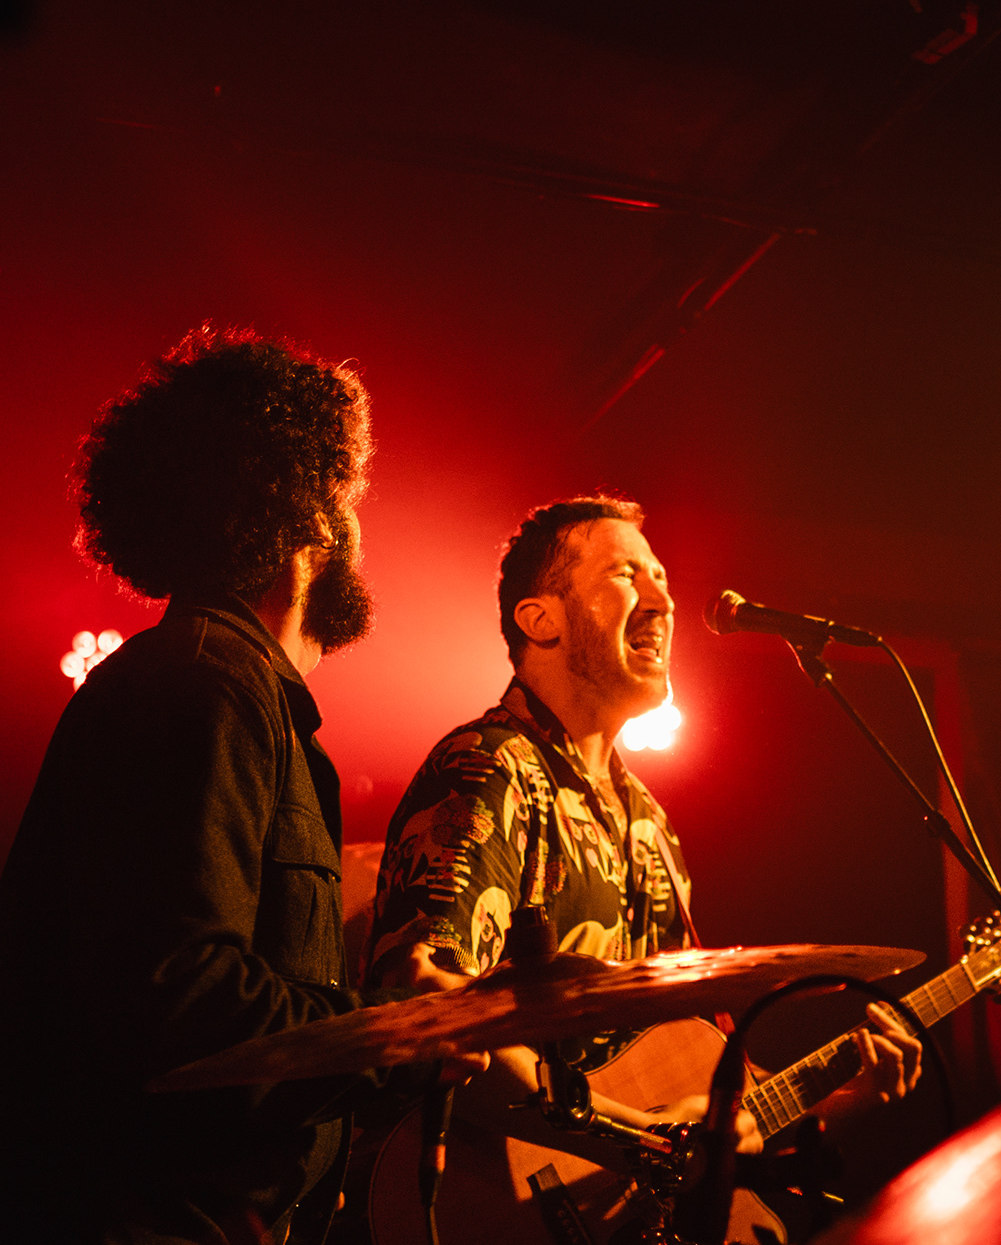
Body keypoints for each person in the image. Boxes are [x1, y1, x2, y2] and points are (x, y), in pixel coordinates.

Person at [0, 328, 454, 1245]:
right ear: (309, 515)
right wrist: (401, 1030)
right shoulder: (207, 686)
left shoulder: (222, 686)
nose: (356, 527)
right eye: (348, 498)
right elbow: (183, 998)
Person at [363, 496, 922, 1173]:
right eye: (626, 575)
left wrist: (841, 1100)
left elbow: (689, 1082)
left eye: (660, 577)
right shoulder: (488, 767)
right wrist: (641, 1142)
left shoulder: (649, 824)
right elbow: (426, 1002)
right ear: (541, 620)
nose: (663, 599)